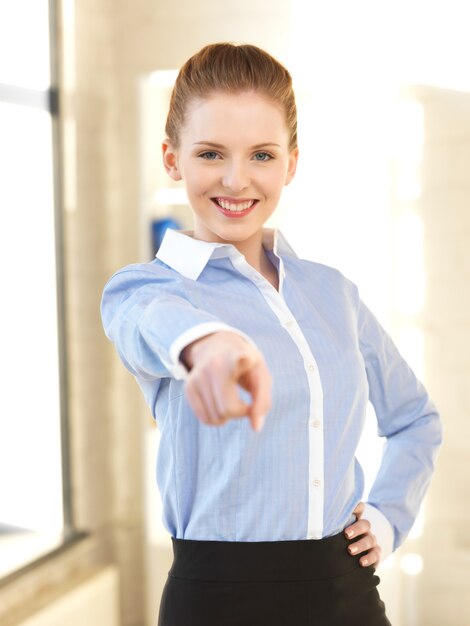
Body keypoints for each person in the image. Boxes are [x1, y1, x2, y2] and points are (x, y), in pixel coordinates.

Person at [100, 43, 442, 626]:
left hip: (347, 594)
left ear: (291, 163)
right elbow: (151, 324)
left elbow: (415, 418)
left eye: (261, 154)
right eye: (210, 153)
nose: (237, 179)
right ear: (171, 158)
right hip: (217, 602)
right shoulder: (145, 289)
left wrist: (385, 518)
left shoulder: (333, 293)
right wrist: (207, 343)